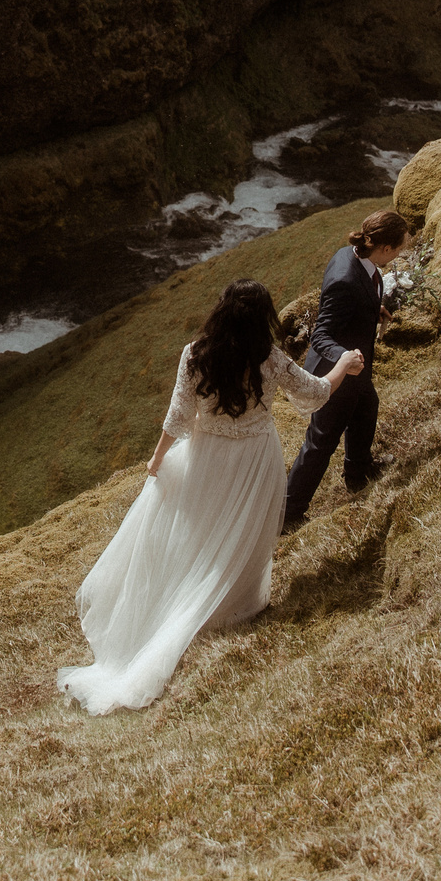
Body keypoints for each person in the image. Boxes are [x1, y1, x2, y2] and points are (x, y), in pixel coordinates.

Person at [56, 279, 364, 714]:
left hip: (204, 458)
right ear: (263, 318)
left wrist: (157, 458)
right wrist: (345, 365)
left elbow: (179, 416)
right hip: (255, 459)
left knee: (198, 530)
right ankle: (233, 606)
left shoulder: (195, 354)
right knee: (245, 532)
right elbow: (315, 392)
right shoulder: (270, 359)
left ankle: (197, 599)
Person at [283, 208, 411, 531]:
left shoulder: (356, 256)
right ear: (384, 249)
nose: (400, 254)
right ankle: (288, 513)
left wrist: (373, 311)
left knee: (368, 407)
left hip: (357, 371)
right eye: (398, 249)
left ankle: (358, 471)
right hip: (335, 374)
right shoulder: (344, 278)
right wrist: (345, 359)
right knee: (320, 443)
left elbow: (359, 298)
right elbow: (321, 335)